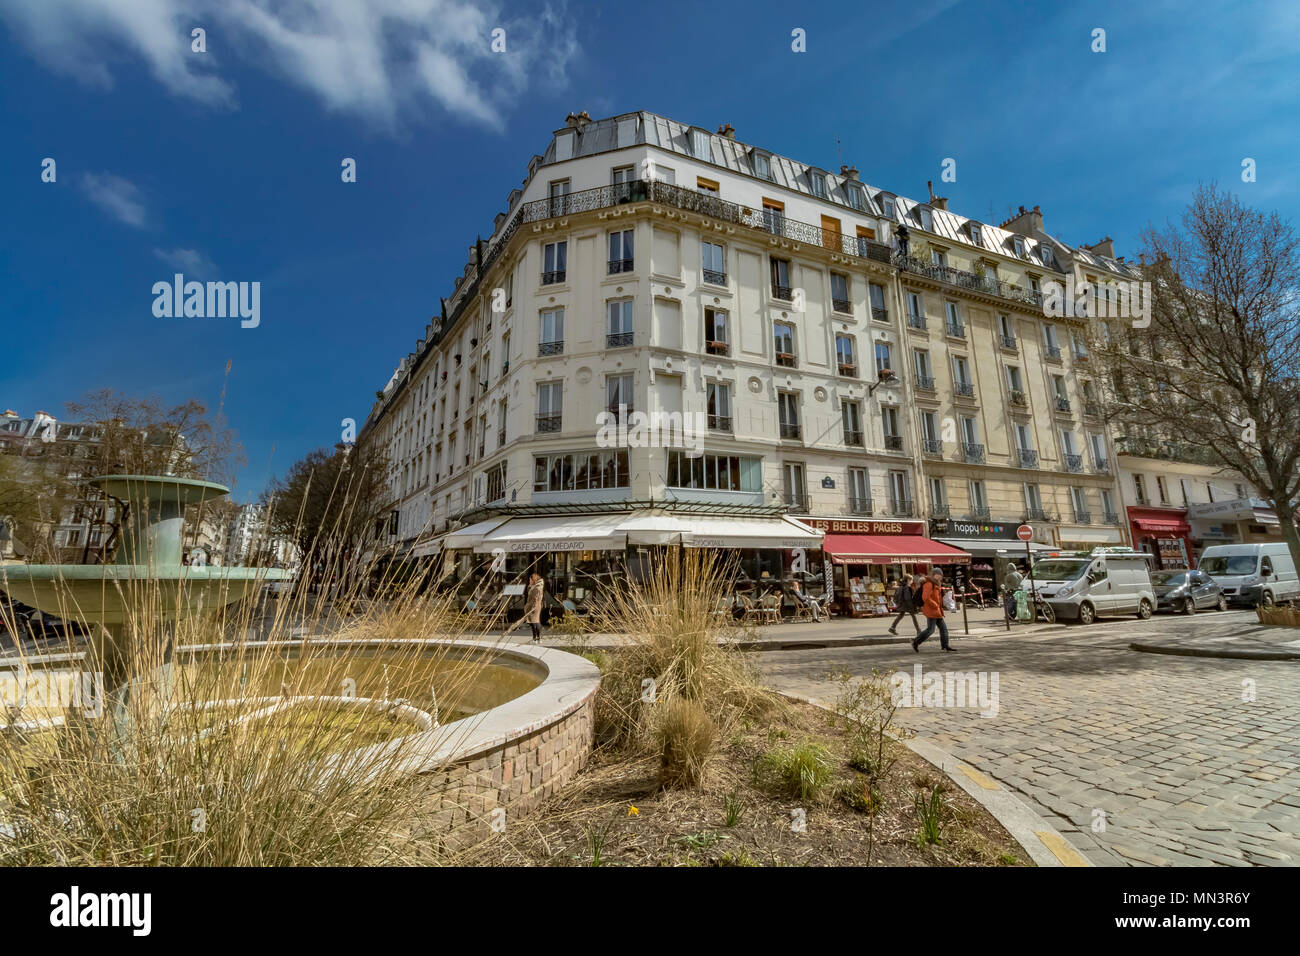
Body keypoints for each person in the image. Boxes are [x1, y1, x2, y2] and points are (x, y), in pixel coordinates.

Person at [912, 567, 952, 652]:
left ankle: (945, 646)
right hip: (931, 610)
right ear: (934, 575)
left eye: (941, 574)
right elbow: (925, 597)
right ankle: (916, 641)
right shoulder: (929, 584)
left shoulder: (936, 583)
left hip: (936, 610)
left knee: (943, 628)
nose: (941, 576)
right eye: (939, 574)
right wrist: (935, 605)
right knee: (930, 630)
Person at [524, 571, 545, 642]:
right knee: (533, 622)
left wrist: (533, 608)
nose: (529, 581)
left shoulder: (537, 588)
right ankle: (535, 638)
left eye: (530, 580)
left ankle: (537, 638)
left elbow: (536, 599)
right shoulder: (534, 587)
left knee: (535, 622)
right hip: (533, 606)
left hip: (535, 607)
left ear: (534, 580)